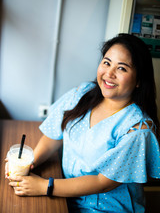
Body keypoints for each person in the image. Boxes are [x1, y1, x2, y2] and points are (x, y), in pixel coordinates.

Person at [6, 33, 160, 213]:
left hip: (106, 208)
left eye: (122, 69)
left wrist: (45, 187)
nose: (109, 74)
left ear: (139, 81)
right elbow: (55, 134)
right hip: (65, 193)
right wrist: (28, 163)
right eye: (107, 62)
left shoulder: (138, 129)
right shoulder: (84, 93)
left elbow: (102, 183)